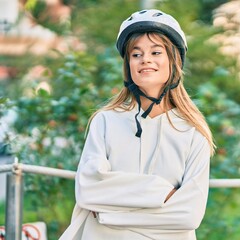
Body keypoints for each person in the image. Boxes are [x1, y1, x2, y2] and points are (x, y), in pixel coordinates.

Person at [60, 9, 215, 240]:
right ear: (128, 64)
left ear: (174, 60)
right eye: (136, 54)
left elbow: (188, 214)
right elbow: (88, 190)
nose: (146, 60)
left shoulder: (193, 131)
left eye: (156, 52)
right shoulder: (105, 121)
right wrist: (162, 192)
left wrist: (109, 215)